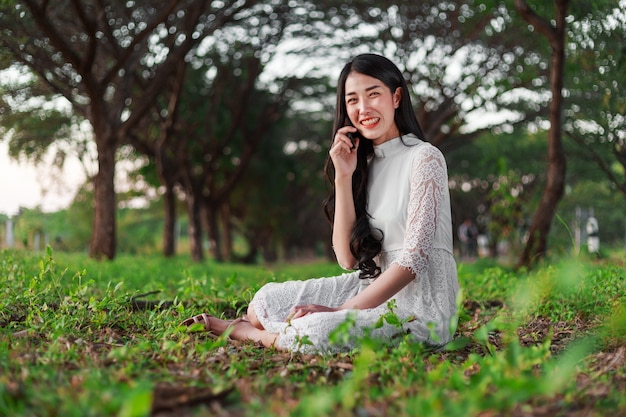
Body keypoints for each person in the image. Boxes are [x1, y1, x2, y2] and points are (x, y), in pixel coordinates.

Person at [181, 54, 459, 353]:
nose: (363, 108)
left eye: (373, 94)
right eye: (352, 100)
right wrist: (343, 175)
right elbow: (347, 260)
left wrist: (340, 311)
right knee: (264, 302)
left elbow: (412, 262)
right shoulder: (364, 165)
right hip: (369, 287)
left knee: (318, 328)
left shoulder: (425, 157)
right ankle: (268, 326)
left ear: (396, 97)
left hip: (421, 308)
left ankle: (245, 333)